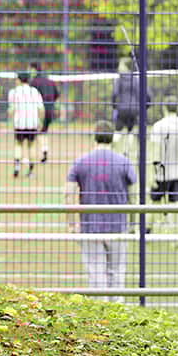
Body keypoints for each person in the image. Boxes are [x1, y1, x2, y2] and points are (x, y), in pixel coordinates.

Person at [65, 120, 136, 304]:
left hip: (91, 226)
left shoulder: (81, 162)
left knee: (95, 272)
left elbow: (68, 195)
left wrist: (72, 223)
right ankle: (117, 311)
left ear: (94, 137)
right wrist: (134, 222)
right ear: (113, 138)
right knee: (117, 272)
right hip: (118, 225)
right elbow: (134, 197)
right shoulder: (123, 162)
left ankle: (100, 313)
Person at [148, 95, 178, 236]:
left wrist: (152, 173)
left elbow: (155, 151)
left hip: (162, 171)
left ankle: (146, 230)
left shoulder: (159, 126)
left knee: (154, 202)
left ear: (164, 108)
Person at [7, 71, 44, 178]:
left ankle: (17, 166)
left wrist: (11, 118)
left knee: (18, 144)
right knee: (31, 146)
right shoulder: (34, 91)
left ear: (19, 80)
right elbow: (41, 108)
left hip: (19, 123)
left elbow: (11, 109)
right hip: (32, 122)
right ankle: (31, 171)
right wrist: (40, 121)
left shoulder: (14, 92)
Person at [111, 57, 149, 158]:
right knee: (130, 130)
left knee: (118, 130)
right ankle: (126, 151)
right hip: (134, 109)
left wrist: (114, 105)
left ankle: (112, 147)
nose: (119, 67)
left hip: (122, 108)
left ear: (125, 66)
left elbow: (114, 93)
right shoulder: (136, 79)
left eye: (121, 64)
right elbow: (144, 94)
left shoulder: (119, 79)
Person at [29, 62, 60, 163]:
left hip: (39, 111)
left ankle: (42, 152)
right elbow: (56, 95)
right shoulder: (50, 81)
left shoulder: (34, 82)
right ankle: (44, 150)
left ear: (34, 69)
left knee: (37, 133)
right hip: (50, 110)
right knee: (43, 131)